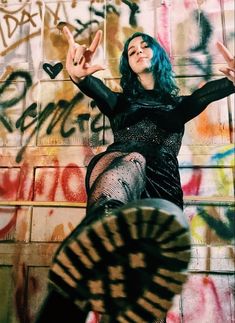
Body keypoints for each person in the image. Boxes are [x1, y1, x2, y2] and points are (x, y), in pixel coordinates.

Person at [35, 27, 235, 323]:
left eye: (145, 46)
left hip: (162, 188)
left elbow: (214, 90)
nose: (139, 51)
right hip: (116, 171)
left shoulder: (180, 106)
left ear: (158, 55)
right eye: (131, 51)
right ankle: (99, 237)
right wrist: (79, 76)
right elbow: (91, 85)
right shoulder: (119, 102)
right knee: (133, 160)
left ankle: (97, 275)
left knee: (134, 294)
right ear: (127, 64)